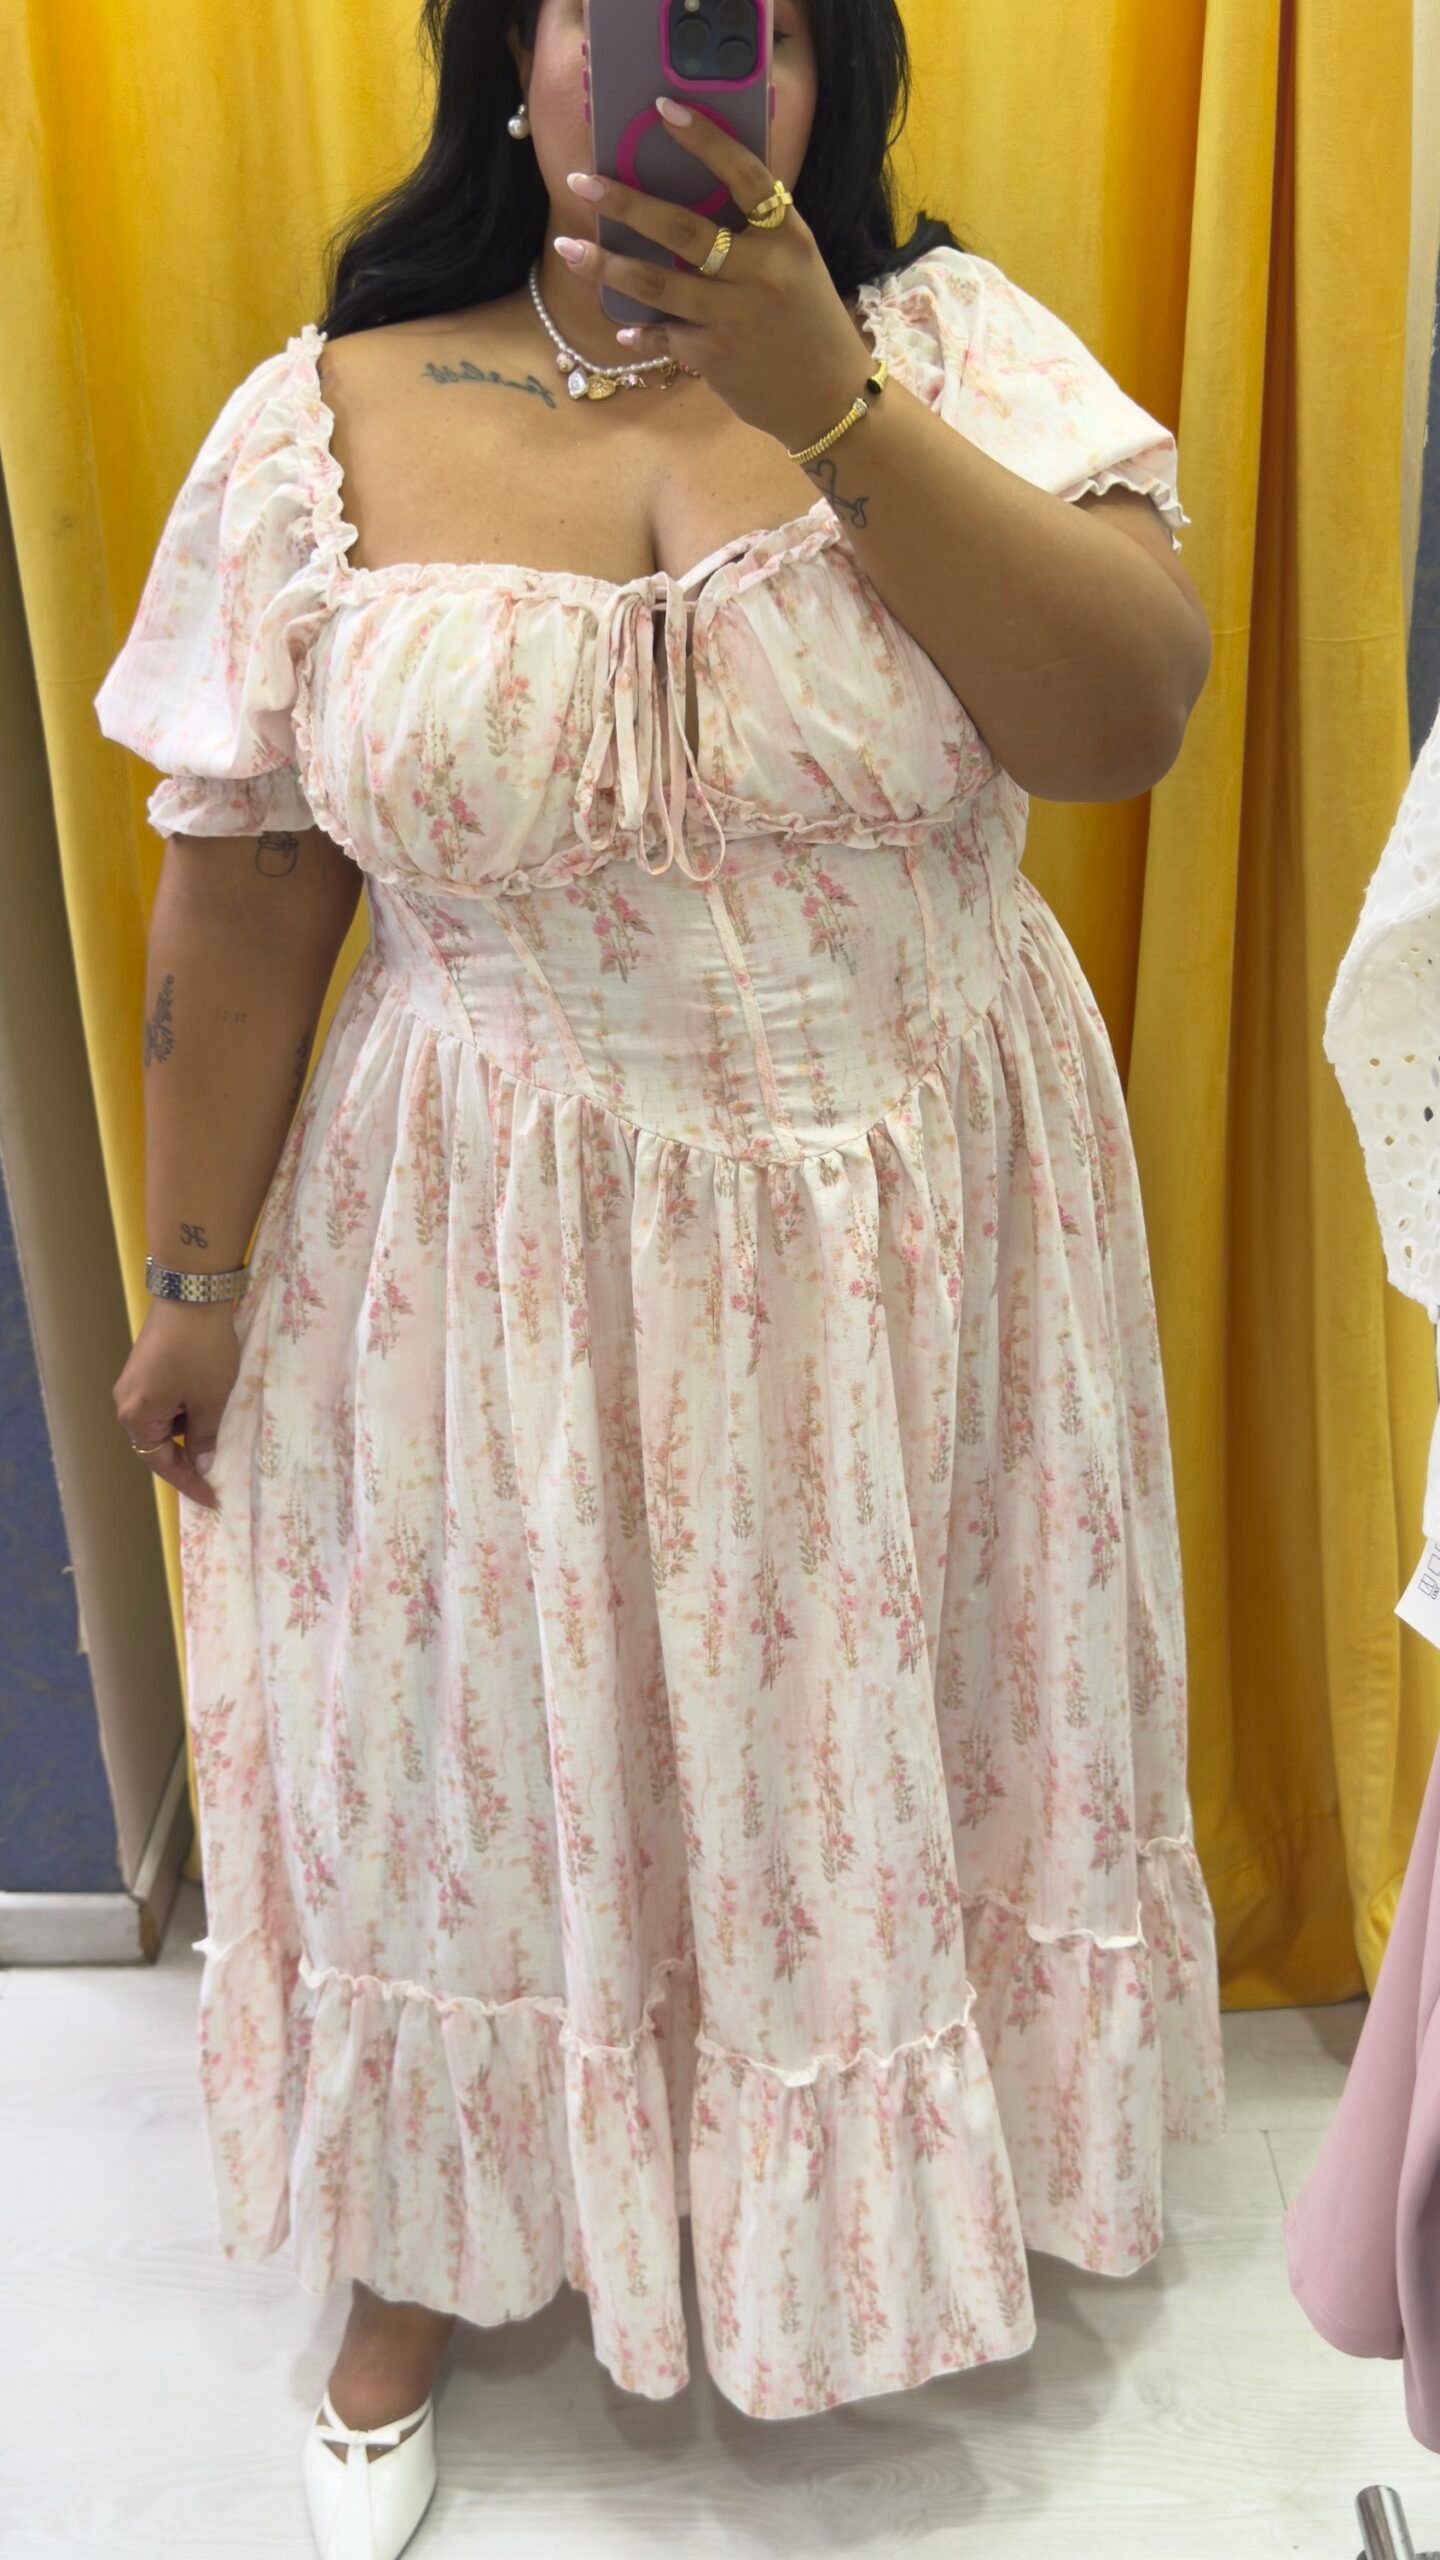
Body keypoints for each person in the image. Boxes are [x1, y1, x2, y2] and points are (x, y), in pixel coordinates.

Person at [93, 0, 1227, 2552]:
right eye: (625, 2)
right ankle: (412, 2255)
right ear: (514, 59)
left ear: (831, 77)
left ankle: (922, 2176)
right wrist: (193, 1269)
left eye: (766, 18)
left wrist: (832, 403)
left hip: (921, 1204)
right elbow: (248, 874)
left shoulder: (952, 351)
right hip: (485, 1232)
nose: (698, 59)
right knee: (462, 1749)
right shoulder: (329, 416)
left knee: (901, 1712)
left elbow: (1122, 715)